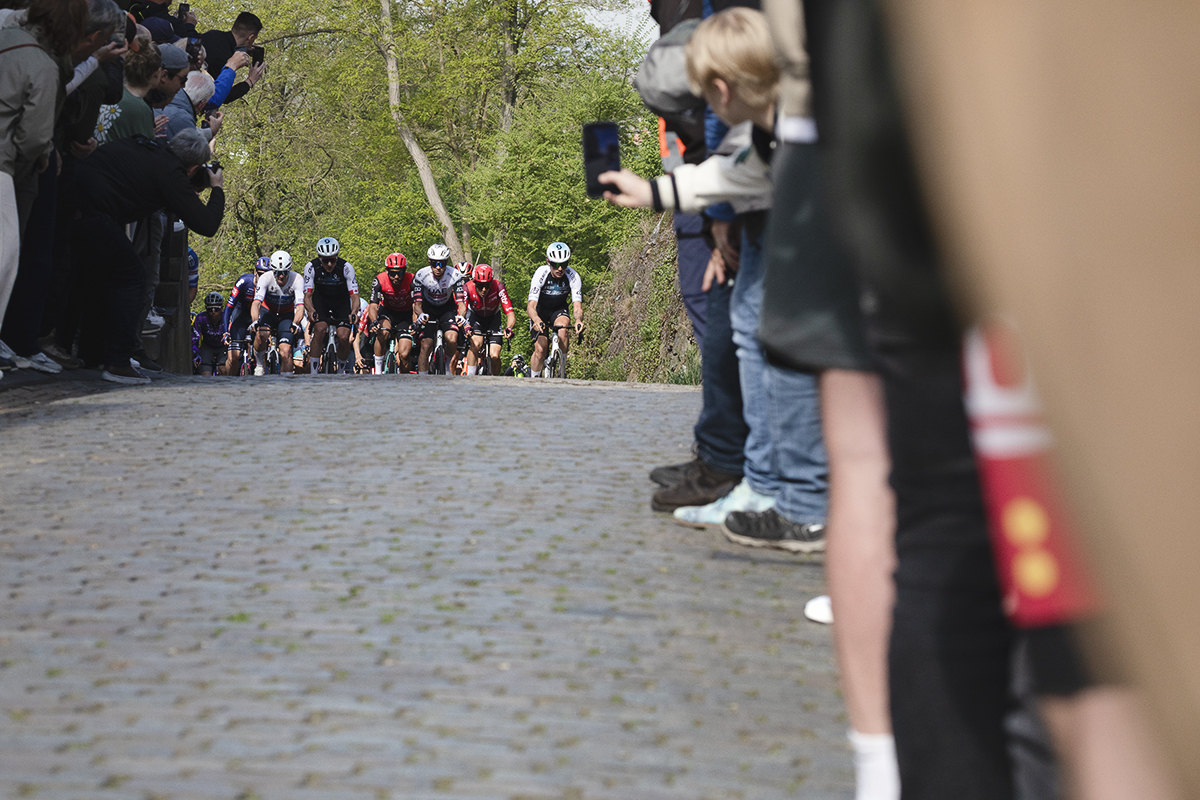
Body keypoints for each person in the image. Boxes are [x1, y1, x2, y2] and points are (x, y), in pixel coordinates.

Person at [69, 128, 224, 384]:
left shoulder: (149, 148)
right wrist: (216, 188)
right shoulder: (170, 172)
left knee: (100, 277)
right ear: (193, 166)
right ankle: (118, 362)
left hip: (75, 199)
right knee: (133, 276)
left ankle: (90, 354)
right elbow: (206, 224)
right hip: (92, 210)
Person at [0, 0, 88, 379]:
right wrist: (36, 159)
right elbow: (35, 137)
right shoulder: (43, 65)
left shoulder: (6, 39)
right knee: (7, 258)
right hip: (7, 167)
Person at [526, 241, 583, 376]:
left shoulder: (573, 276)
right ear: (548, 262)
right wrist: (535, 319)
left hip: (558, 310)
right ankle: (533, 379)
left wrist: (578, 320)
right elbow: (531, 306)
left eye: (564, 264)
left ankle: (562, 369)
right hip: (540, 311)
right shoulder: (541, 273)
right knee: (540, 350)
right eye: (556, 265)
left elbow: (577, 306)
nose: (560, 269)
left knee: (563, 329)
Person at [302, 236, 358, 373]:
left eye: (332, 260)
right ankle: (314, 372)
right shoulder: (311, 267)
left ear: (337, 257)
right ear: (319, 258)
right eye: (325, 260)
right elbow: (307, 296)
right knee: (320, 329)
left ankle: (340, 370)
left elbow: (355, 296)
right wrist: (310, 310)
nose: (328, 264)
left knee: (344, 337)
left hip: (341, 302)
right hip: (321, 301)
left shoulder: (346, 267)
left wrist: (354, 312)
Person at [412, 243, 466, 375]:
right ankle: (423, 379)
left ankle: (447, 365)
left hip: (446, 308)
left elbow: (461, 303)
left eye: (441, 264)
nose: (438, 268)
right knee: (426, 345)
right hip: (427, 309)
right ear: (429, 261)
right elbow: (417, 304)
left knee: (452, 339)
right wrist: (420, 315)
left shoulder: (455, 275)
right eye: (434, 263)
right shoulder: (421, 275)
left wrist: (462, 316)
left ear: (446, 262)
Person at [250, 250, 304, 375]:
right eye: (278, 273)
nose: (281, 276)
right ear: (273, 271)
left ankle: (286, 382)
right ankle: (259, 364)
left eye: (285, 273)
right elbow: (256, 303)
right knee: (261, 335)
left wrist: (296, 323)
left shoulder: (297, 279)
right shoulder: (265, 278)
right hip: (268, 312)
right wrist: (254, 321)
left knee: (285, 352)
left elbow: (301, 307)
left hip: (286, 315)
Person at [199, 12, 265, 106]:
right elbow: (224, 96)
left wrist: (243, 49)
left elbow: (225, 45)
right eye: (253, 39)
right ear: (250, 37)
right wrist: (250, 81)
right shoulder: (225, 59)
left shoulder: (212, 34)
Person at [366, 252, 415, 374]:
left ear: (405, 271)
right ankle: (378, 371)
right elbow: (373, 305)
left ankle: (404, 379)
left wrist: (415, 323)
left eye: (400, 273)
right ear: (386, 271)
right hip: (388, 311)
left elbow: (417, 305)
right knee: (382, 331)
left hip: (406, 314)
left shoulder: (412, 280)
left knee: (404, 354)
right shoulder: (379, 280)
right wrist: (374, 322)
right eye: (393, 273)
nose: (397, 277)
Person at [464, 263, 515, 376]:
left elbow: (510, 313)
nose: (483, 289)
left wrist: (509, 328)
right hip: (475, 317)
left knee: (495, 355)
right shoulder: (467, 287)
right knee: (476, 344)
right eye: (480, 286)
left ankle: (496, 380)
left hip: (493, 319)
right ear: (474, 283)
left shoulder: (498, 287)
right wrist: (465, 325)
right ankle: (470, 377)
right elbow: (461, 310)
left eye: (487, 285)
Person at [223, 255, 269, 375]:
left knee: (261, 352)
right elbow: (228, 308)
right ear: (255, 272)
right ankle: (229, 383)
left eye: (266, 275)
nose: (262, 278)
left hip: (259, 317)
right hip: (240, 316)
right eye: (260, 274)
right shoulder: (244, 281)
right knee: (234, 357)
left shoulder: (271, 286)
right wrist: (225, 332)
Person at [164, 69, 220, 142]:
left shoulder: (163, 98)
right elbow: (189, 139)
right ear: (201, 104)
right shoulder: (182, 118)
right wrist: (212, 131)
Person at [193, 291, 226, 375]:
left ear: (222, 308)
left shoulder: (226, 317)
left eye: (216, 309)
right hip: (207, 347)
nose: (213, 312)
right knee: (206, 375)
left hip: (223, 347)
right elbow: (195, 337)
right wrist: (195, 353)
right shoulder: (201, 318)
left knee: (223, 369)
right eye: (210, 309)